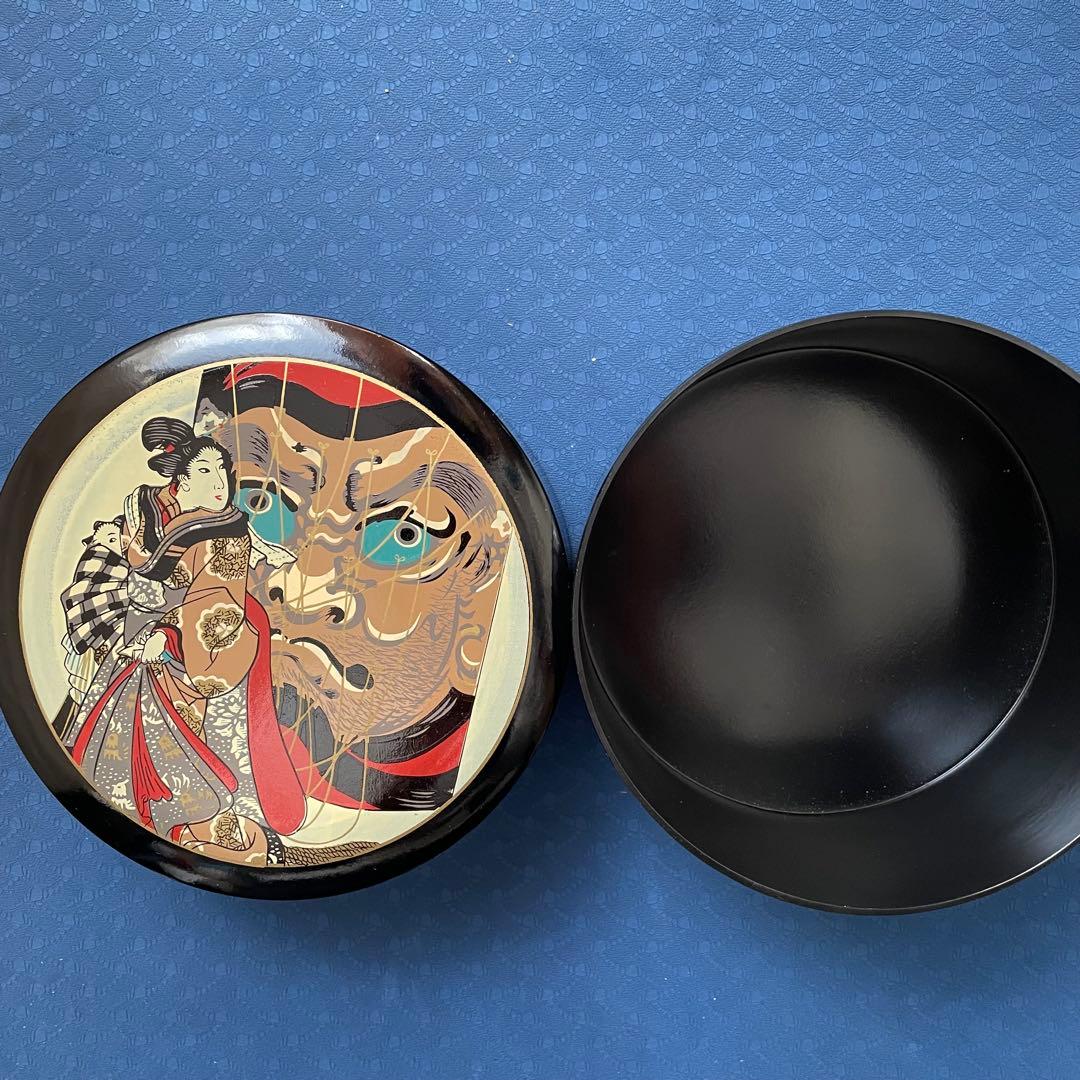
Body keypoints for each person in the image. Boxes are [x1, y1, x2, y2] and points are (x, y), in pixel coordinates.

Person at [65, 416, 306, 866]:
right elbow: (154, 568)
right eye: (205, 472)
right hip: (156, 638)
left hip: (203, 648)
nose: (219, 483)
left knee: (194, 744)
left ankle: (204, 829)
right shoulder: (170, 517)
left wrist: (168, 635)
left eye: (223, 472)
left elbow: (216, 603)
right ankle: (161, 823)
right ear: (180, 482)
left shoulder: (226, 531)